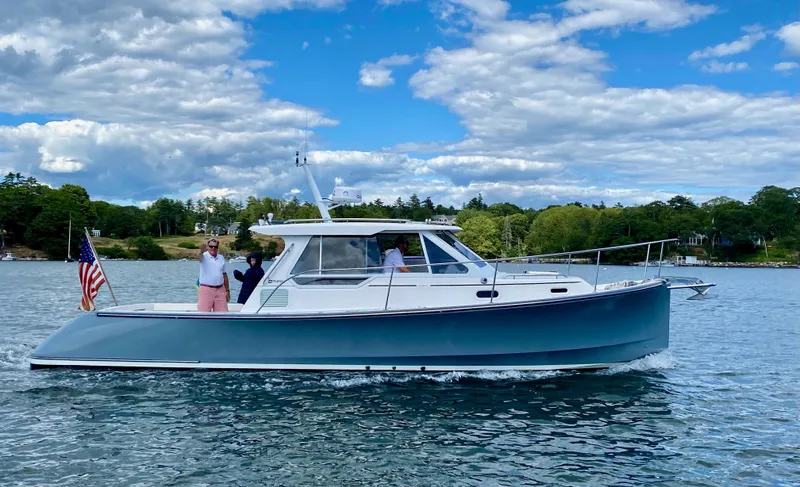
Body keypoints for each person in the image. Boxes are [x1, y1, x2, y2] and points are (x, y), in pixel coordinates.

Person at [197, 238, 230, 312]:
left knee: (223, 314)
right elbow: (198, 257)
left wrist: (227, 291)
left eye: (215, 247)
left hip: (220, 289)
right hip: (206, 289)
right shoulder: (204, 256)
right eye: (211, 246)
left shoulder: (221, 257)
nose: (213, 248)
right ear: (207, 247)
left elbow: (224, 275)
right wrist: (201, 251)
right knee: (203, 314)